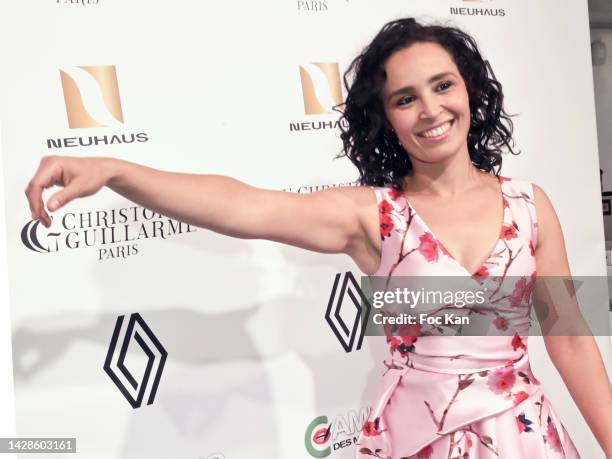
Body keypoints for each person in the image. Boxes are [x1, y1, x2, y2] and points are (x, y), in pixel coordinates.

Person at [24, 17, 611, 459]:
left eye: (442, 86)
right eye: (406, 98)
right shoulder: (372, 215)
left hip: (523, 438)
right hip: (419, 441)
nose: (430, 109)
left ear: (470, 91)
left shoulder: (530, 205)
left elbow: (574, 343)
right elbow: (244, 205)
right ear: (386, 117)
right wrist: (119, 171)